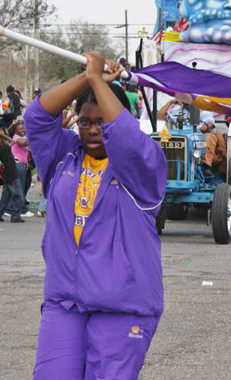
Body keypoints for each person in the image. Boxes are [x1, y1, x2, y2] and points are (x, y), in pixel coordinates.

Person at [27, 52, 167, 379]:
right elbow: (36, 117)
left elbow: (128, 138)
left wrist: (103, 86)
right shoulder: (61, 155)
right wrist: (88, 77)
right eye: (85, 122)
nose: (93, 130)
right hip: (66, 301)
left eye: (102, 122)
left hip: (123, 304)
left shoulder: (142, 165)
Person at [0, 135, 24, 223]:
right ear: (0, 142)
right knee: (18, 196)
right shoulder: (4, 149)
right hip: (12, 175)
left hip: (7, 176)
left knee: (5, 197)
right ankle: (16, 216)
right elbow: (12, 141)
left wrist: (1, 138)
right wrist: (3, 135)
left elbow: (7, 144)